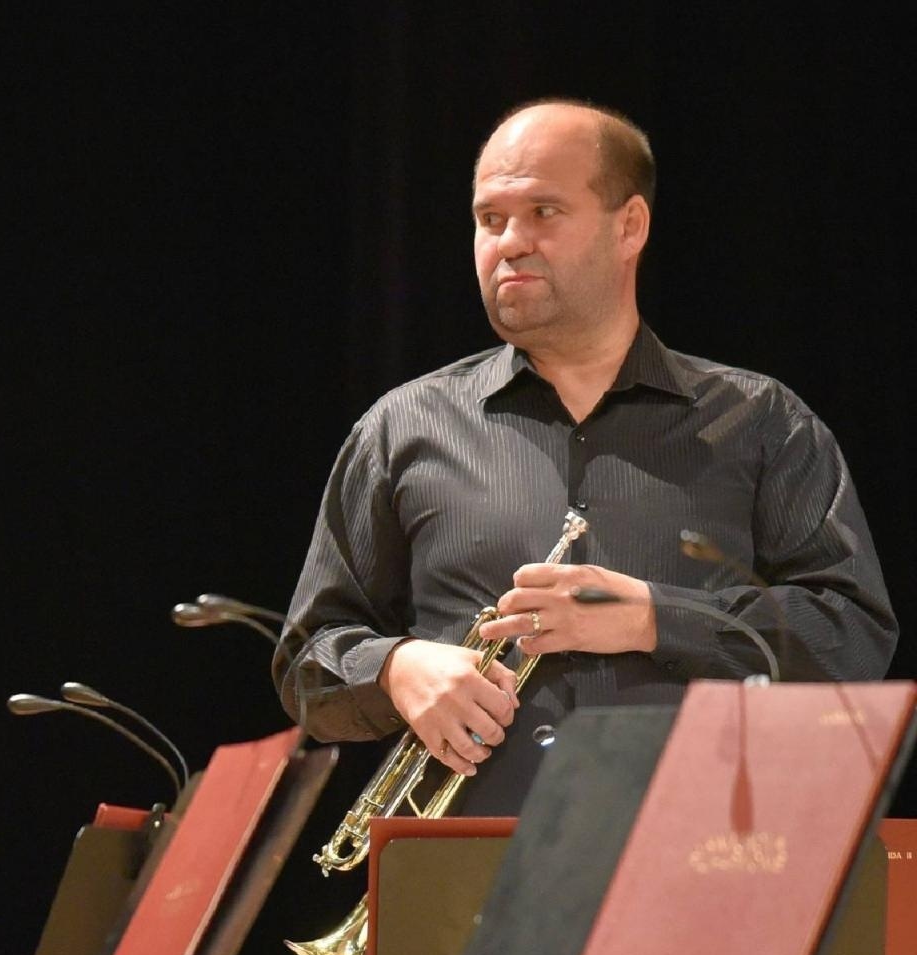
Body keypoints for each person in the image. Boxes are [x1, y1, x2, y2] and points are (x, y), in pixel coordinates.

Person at [272, 99, 896, 816]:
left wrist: (656, 618)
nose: (509, 242)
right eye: (490, 218)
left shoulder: (762, 423)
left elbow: (852, 634)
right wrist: (395, 669)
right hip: (459, 879)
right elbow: (307, 661)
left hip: (700, 859)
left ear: (629, 226)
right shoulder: (404, 426)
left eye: (544, 212)